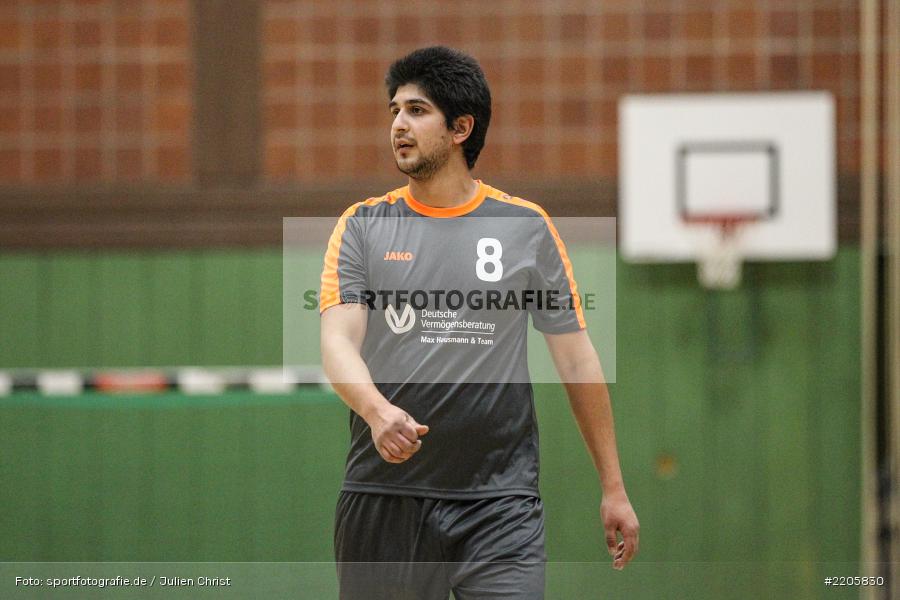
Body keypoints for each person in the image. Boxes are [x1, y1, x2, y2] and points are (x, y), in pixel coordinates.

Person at [319, 46, 638, 600]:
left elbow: (576, 358)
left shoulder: (526, 227)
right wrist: (376, 410)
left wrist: (613, 485)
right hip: (384, 496)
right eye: (394, 110)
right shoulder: (364, 225)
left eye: (417, 111)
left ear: (461, 127)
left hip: (498, 504)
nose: (398, 124)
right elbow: (338, 341)